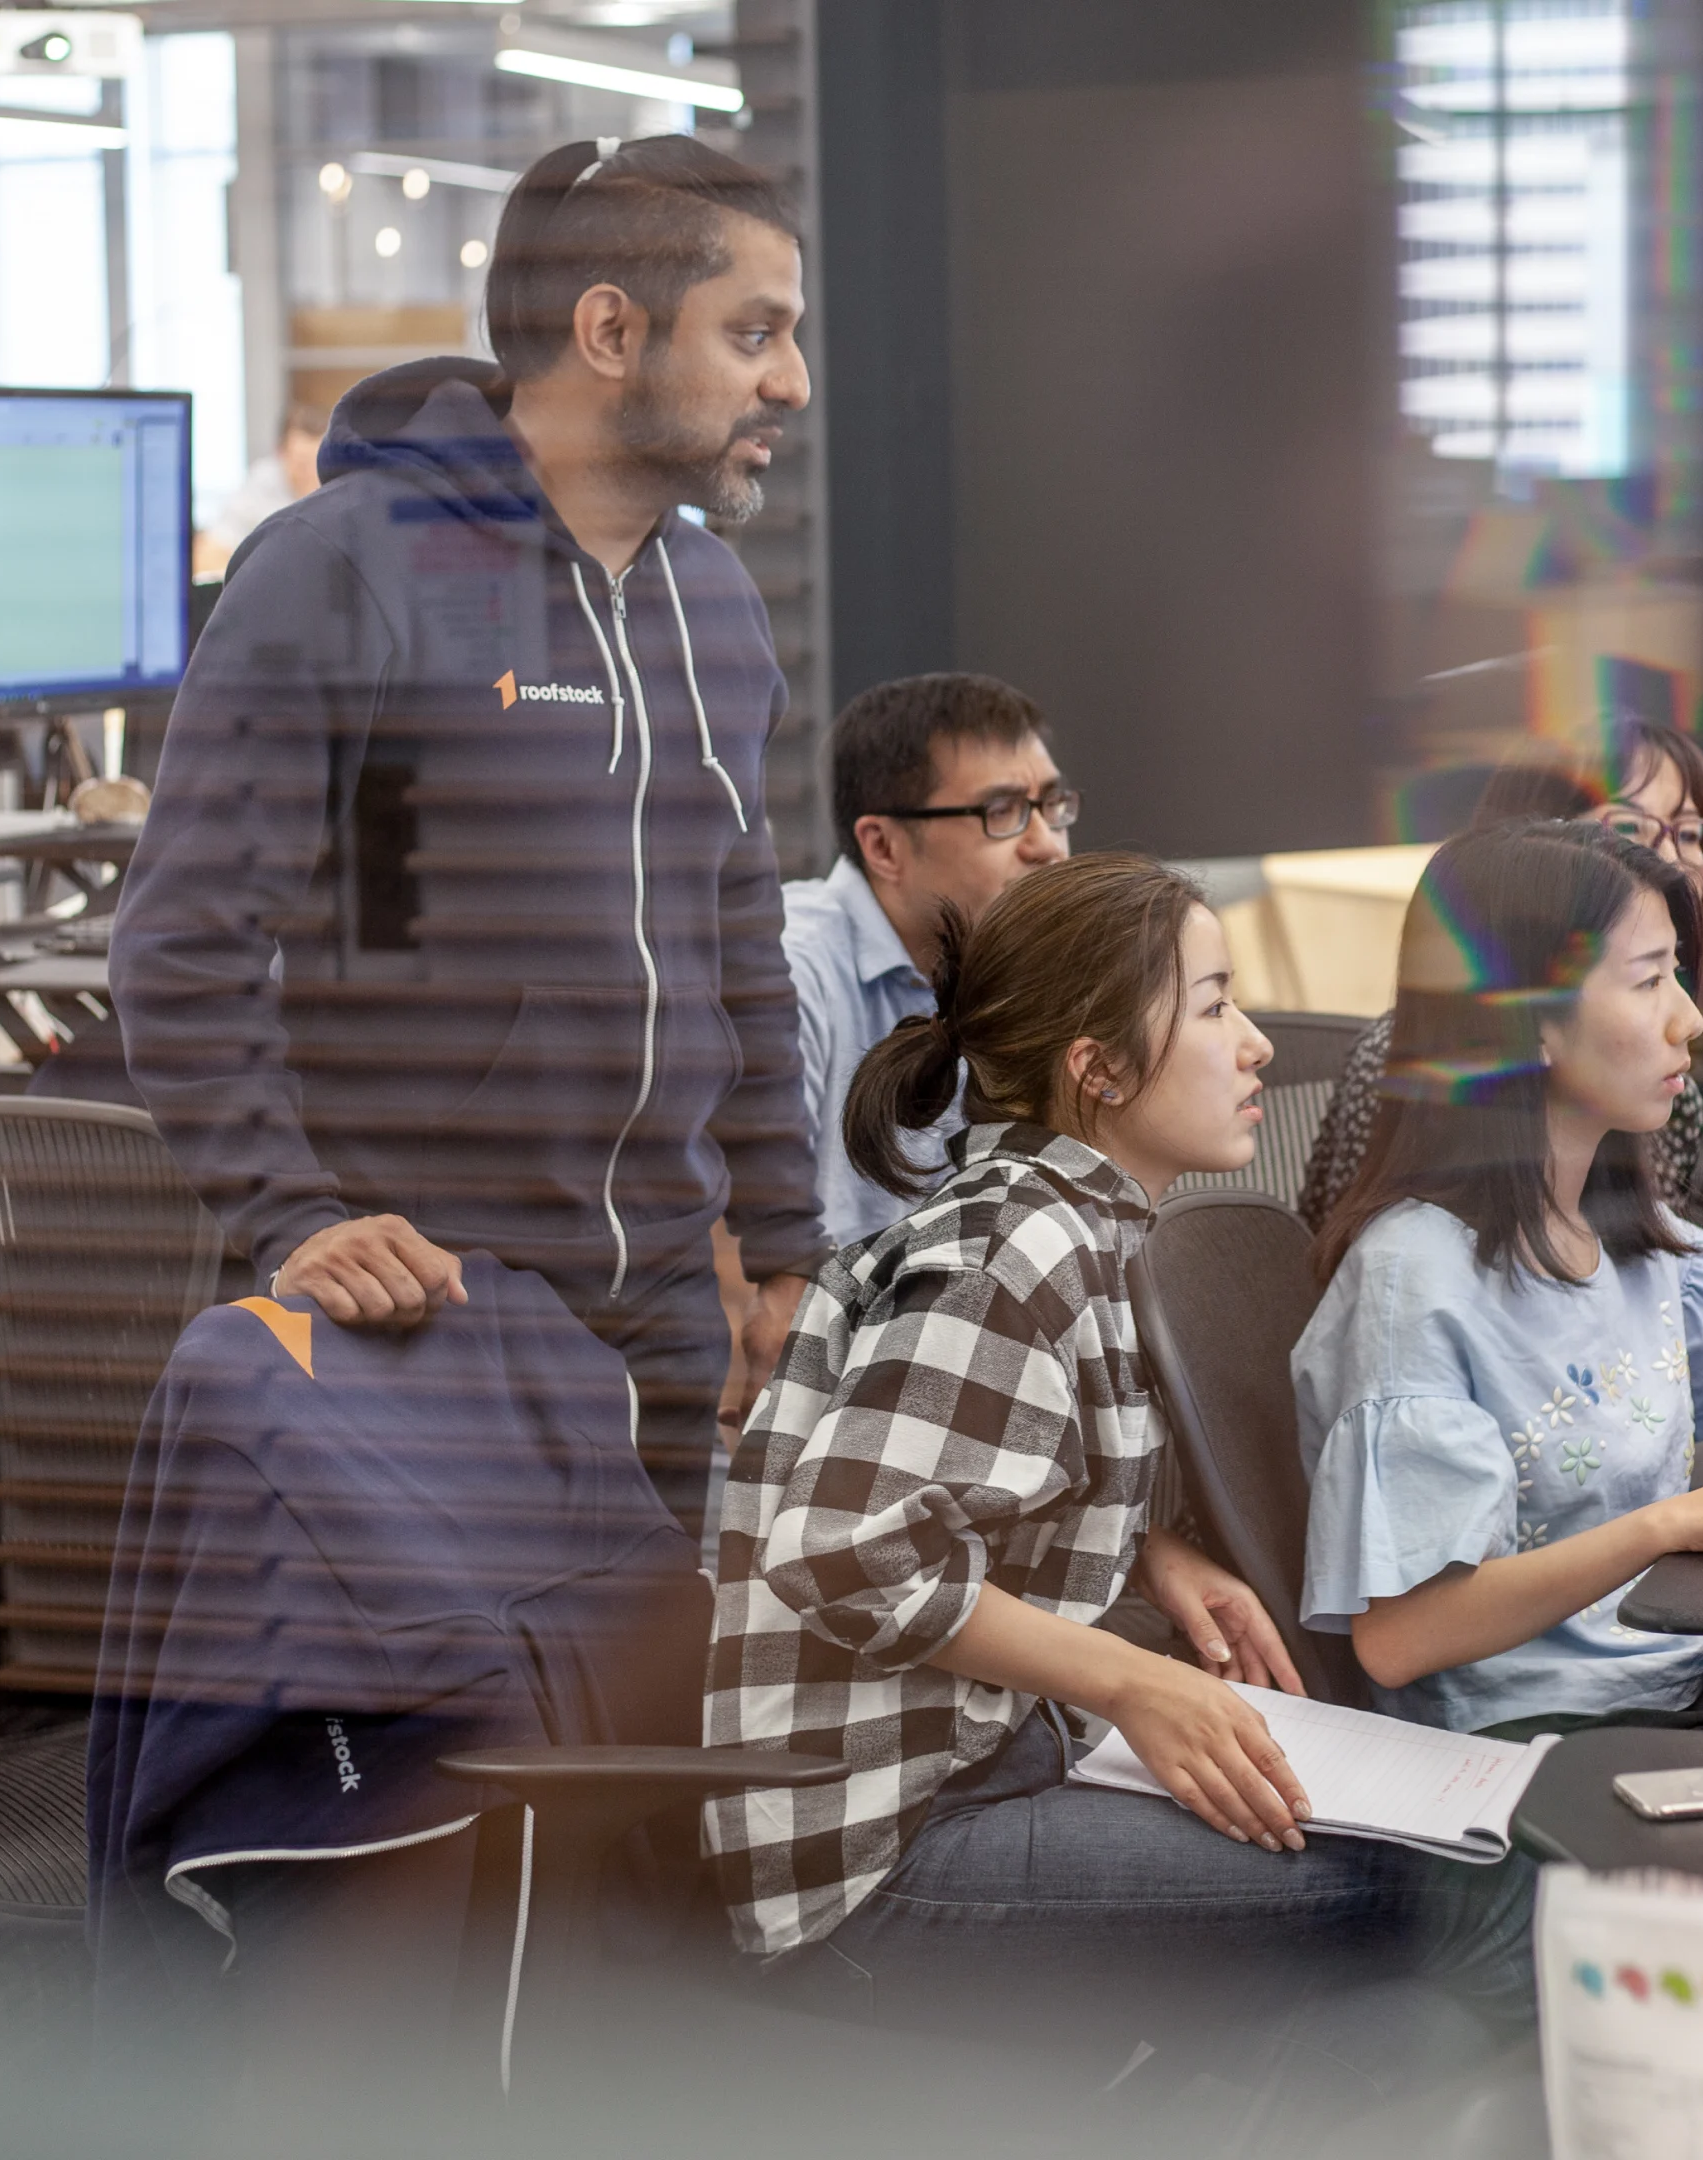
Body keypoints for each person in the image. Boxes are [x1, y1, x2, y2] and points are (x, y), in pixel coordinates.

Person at [705, 852, 1535, 2057]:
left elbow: (994, 1457)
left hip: (981, 1771)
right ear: (1094, 1071)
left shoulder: (1060, 1223)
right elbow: (843, 1551)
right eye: (1213, 1007)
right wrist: (1132, 1681)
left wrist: (1151, 1559)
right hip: (875, 1860)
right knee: (1473, 1896)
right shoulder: (1013, 1249)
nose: (1255, 1045)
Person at [113, 133, 824, 1534]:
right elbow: (182, 944)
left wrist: (790, 1245)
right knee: (455, 1751)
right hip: (425, 1323)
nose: (791, 382)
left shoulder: (719, 607)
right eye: (755, 334)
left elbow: (738, 942)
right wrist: (295, 1214)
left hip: (668, 1321)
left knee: (643, 1734)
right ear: (611, 329)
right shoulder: (347, 567)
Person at [1296, 821, 1703, 1737]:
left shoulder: (1615, 1226)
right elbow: (1404, 1633)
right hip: (1540, 1745)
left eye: (1676, 976)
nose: (1689, 1019)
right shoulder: (1413, 1280)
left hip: (1684, 1678)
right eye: (1649, 982)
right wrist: (1675, 1522)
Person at [1300, 721, 1703, 1223]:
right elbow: (1362, 1263)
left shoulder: (1674, 1098)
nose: (1673, 860)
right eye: (1631, 828)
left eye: (1692, 833)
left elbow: (1654, 1275)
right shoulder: (1415, 1064)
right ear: (1540, 839)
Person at [778, 670, 1074, 1245]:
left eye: (1053, 806)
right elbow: (749, 1282)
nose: (1049, 845)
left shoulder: (1035, 968)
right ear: (884, 847)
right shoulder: (789, 971)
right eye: (1004, 810)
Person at [194, 401, 331, 576]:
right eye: (302, 463)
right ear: (280, 454)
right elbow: (208, 556)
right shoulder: (263, 483)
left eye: (320, 461)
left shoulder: (347, 488)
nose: (313, 473)